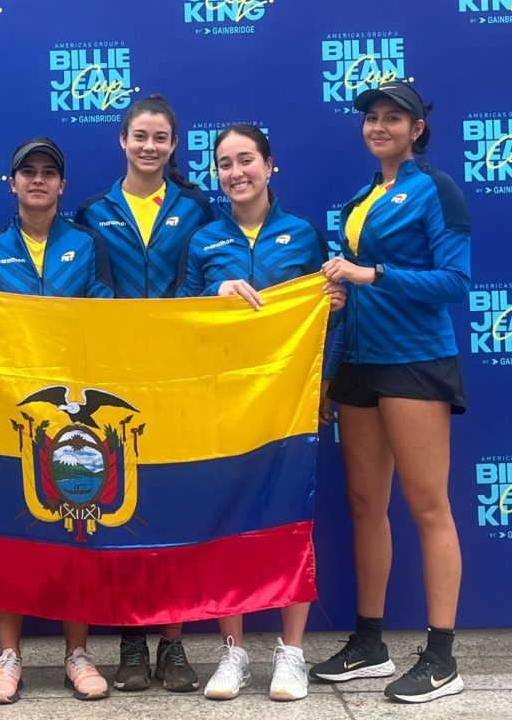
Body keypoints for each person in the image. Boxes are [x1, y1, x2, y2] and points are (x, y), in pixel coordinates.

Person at [177, 124, 344, 701]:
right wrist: (214, 296)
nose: (236, 172)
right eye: (224, 164)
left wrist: (326, 374)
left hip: (287, 398)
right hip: (223, 397)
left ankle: (291, 652)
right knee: (229, 519)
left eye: (246, 160)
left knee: (290, 517)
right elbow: (180, 319)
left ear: (270, 165)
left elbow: (328, 314)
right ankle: (234, 652)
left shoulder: (302, 233)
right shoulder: (204, 240)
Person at [315, 80, 469, 704]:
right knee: (363, 504)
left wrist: (372, 273)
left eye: (393, 118)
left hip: (414, 360)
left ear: (417, 129)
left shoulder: (436, 188)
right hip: (358, 363)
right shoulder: (361, 197)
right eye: (371, 117)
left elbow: (456, 281)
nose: (379, 126)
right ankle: (370, 642)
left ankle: (442, 657)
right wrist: (330, 370)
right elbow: (352, 295)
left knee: (428, 506)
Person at [74, 94, 213, 692]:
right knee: (122, 505)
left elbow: (202, 283)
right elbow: (91, 287)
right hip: (116, 375)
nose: (149, 146)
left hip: (180, 373)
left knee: (175, 501)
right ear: (122, 141)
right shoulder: (93, 210)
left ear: (174, 145)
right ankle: (130, 638)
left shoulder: (197, 207)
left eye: (160, 137)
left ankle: (173, 641)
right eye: (140, 136)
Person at [0, 137, 114, 704]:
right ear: (12, 183)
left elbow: (104, 311)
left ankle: (77, 653)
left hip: (74, 409)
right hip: (10, 407)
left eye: (48, 172)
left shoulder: (87, 244)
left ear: (62, 185)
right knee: (11, 531)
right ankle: (9, 655)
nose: (37, 180)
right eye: (27, 171)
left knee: (76, 522)